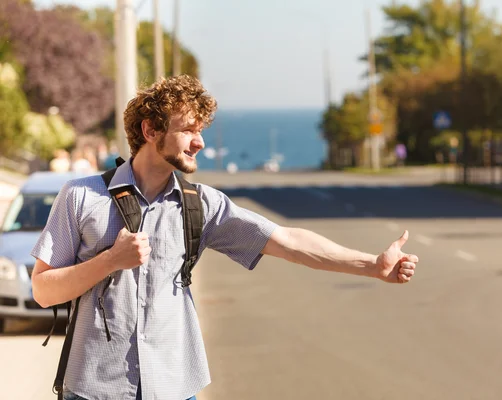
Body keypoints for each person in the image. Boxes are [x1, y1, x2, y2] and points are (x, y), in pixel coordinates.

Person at [31, 75, 419, 400]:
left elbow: (287, 240)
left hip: (174, 387)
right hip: (96, 389)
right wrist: (108, 261)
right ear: (150, 131)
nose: (199, 142)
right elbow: (44, 291)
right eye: (188, 130)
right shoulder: (82, 196)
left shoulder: (202, 205)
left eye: (201, 131)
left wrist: (371, 265)